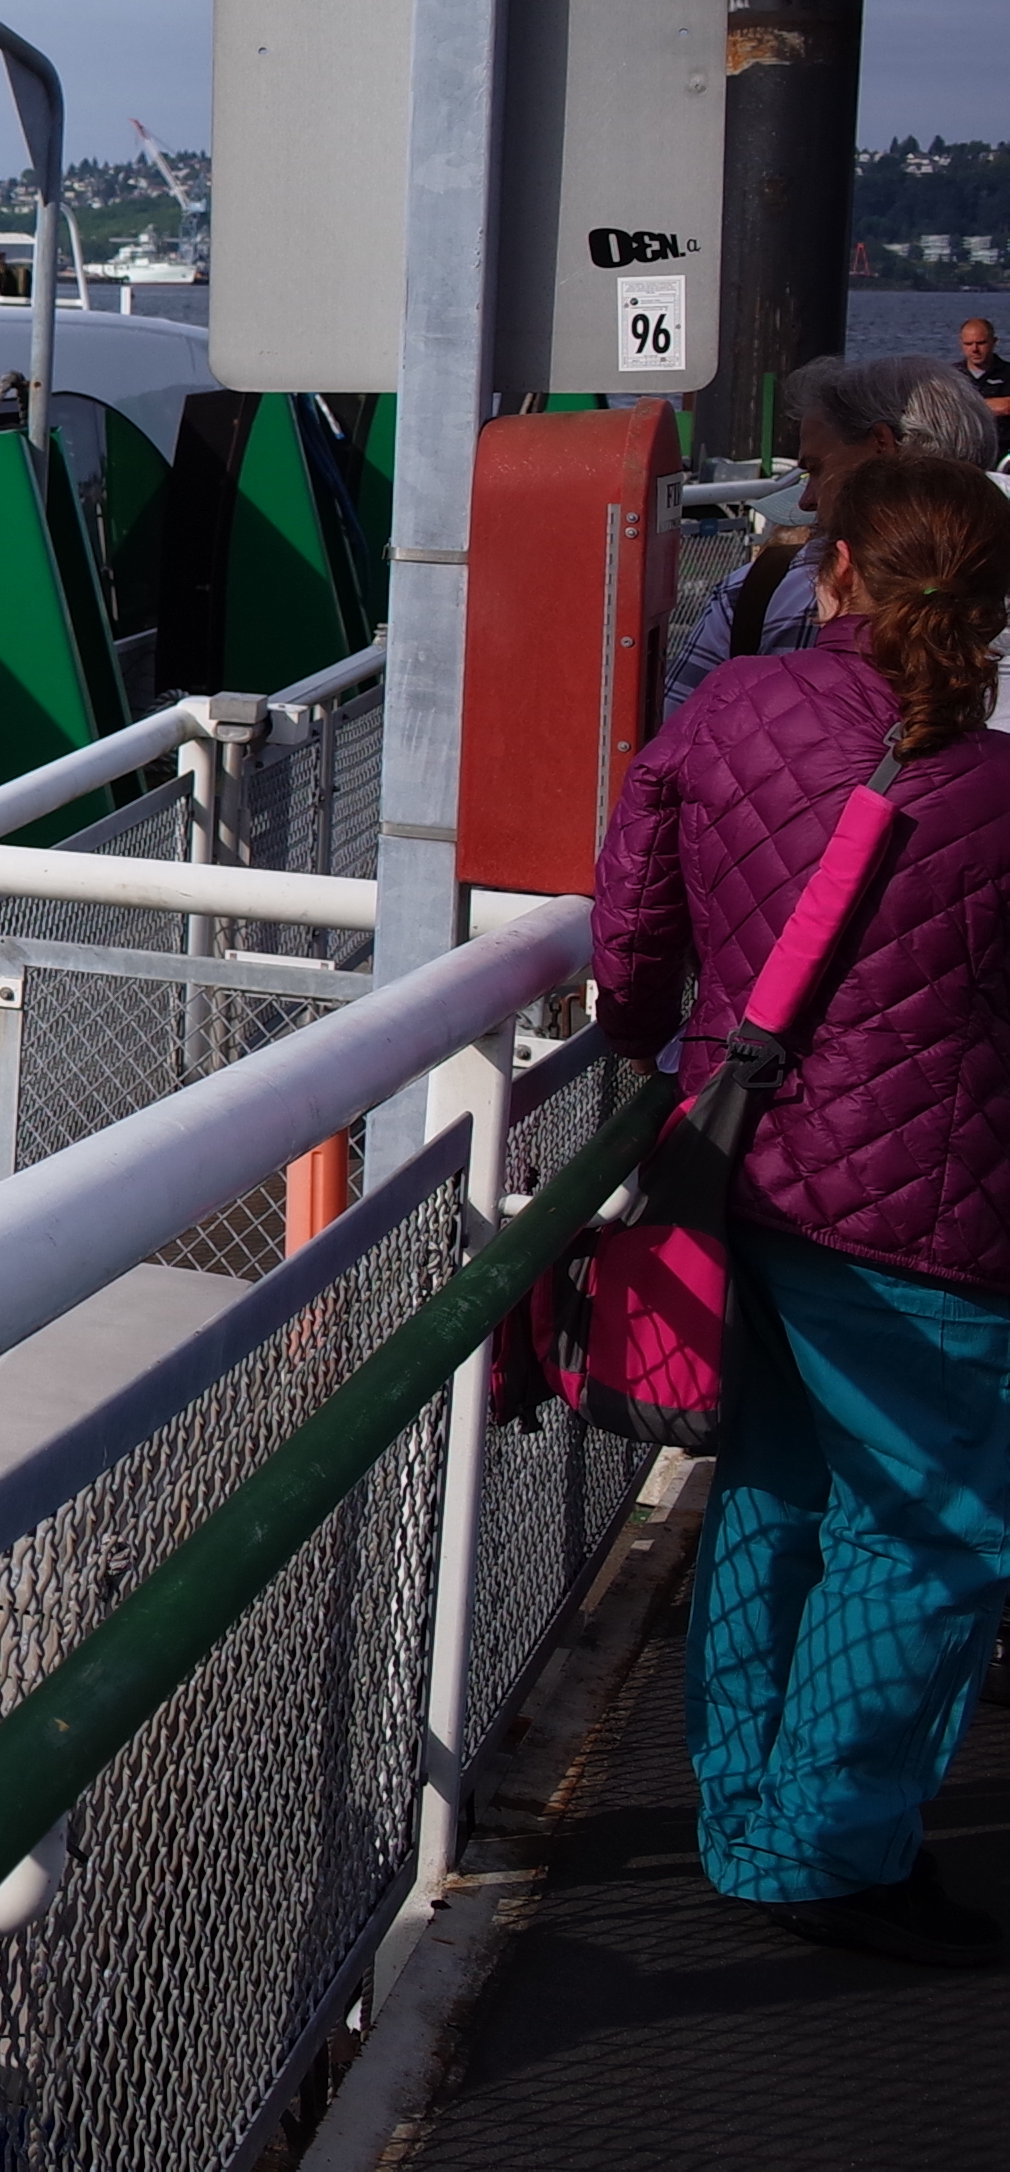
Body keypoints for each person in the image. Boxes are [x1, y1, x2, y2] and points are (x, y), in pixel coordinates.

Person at [591, 448, 1010, 1970]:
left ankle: (745, 1815)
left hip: (734, 1167)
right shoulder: (990, 786)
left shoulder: (728, 714)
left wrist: (653, 1040)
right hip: (928, 1217)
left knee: (772, 1490)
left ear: (832, 573)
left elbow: (631, 927)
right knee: (934, 1527)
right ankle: (822, 1850)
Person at [659, 353, 992, 722]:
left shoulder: (764, 591)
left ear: (882, 444)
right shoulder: (759, 591)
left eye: (817, 469)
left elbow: (671, 743)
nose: (807, 500)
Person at [956, 316, 1010, 449]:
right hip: (963, 449)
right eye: (968, 344)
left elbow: (1006, 407)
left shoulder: (1008, 373)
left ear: (994, 342)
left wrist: (961, 406)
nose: (974, 349)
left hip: (1002, 450)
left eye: (981, 343)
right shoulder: (950, 375)